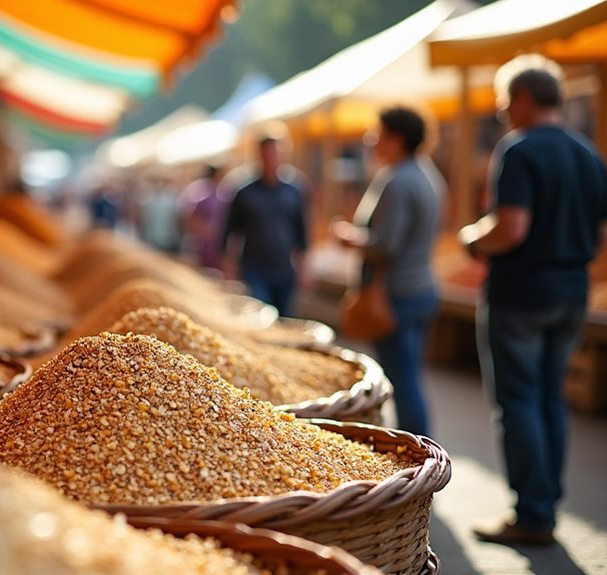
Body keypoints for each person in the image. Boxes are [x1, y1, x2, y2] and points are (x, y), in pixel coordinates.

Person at [458, 60, 607, 546]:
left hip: (521, 293)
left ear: (524, 97)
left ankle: (533, 513)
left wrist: (474, 238)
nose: (503, 112)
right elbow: (600, 235)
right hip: (571, 291)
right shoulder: (588, 155)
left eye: (506, 101)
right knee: (549, 398)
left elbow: (511, 227)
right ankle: (547, 503)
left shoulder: (518, 149)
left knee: (518, 400)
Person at [332, 106, 445, 438]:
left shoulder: (396, 180)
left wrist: (351, 239)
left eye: (377, 133)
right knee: (411, 376)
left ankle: (417, 453)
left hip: (396, 294)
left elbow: (386, 245)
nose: (371, 140)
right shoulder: (427, 175)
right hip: (421, 287)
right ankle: (420, 448)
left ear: (395, 139)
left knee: (403, 380)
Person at [221, 130, 309, 317]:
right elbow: (230, 230)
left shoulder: (294, 190)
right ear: (259, 155)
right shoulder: (245, 192)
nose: (272, 158)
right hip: (254, 269)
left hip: (285, 269)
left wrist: (304, 268)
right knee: (262, 317)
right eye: (268, 153)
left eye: (276, 153)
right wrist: (229, 265)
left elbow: (301, 232)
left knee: (285, 318)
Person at [179, 164, 227, 269]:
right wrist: (204, 230)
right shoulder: (200, 190)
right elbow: (187, 217)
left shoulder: (221, 191)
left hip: (213, 246)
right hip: (198, 245)